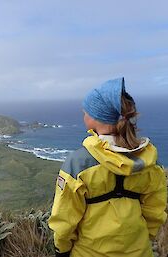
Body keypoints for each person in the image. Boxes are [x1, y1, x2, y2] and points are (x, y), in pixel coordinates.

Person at [48, 77, 167, 257]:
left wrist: (62, 250)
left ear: (96, 118)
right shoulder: (149, 162)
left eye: (85, 111)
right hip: (139, 251)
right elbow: (155, 211)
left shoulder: (78, 163)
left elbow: (65, 218)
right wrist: (145, 237)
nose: (83, 115)